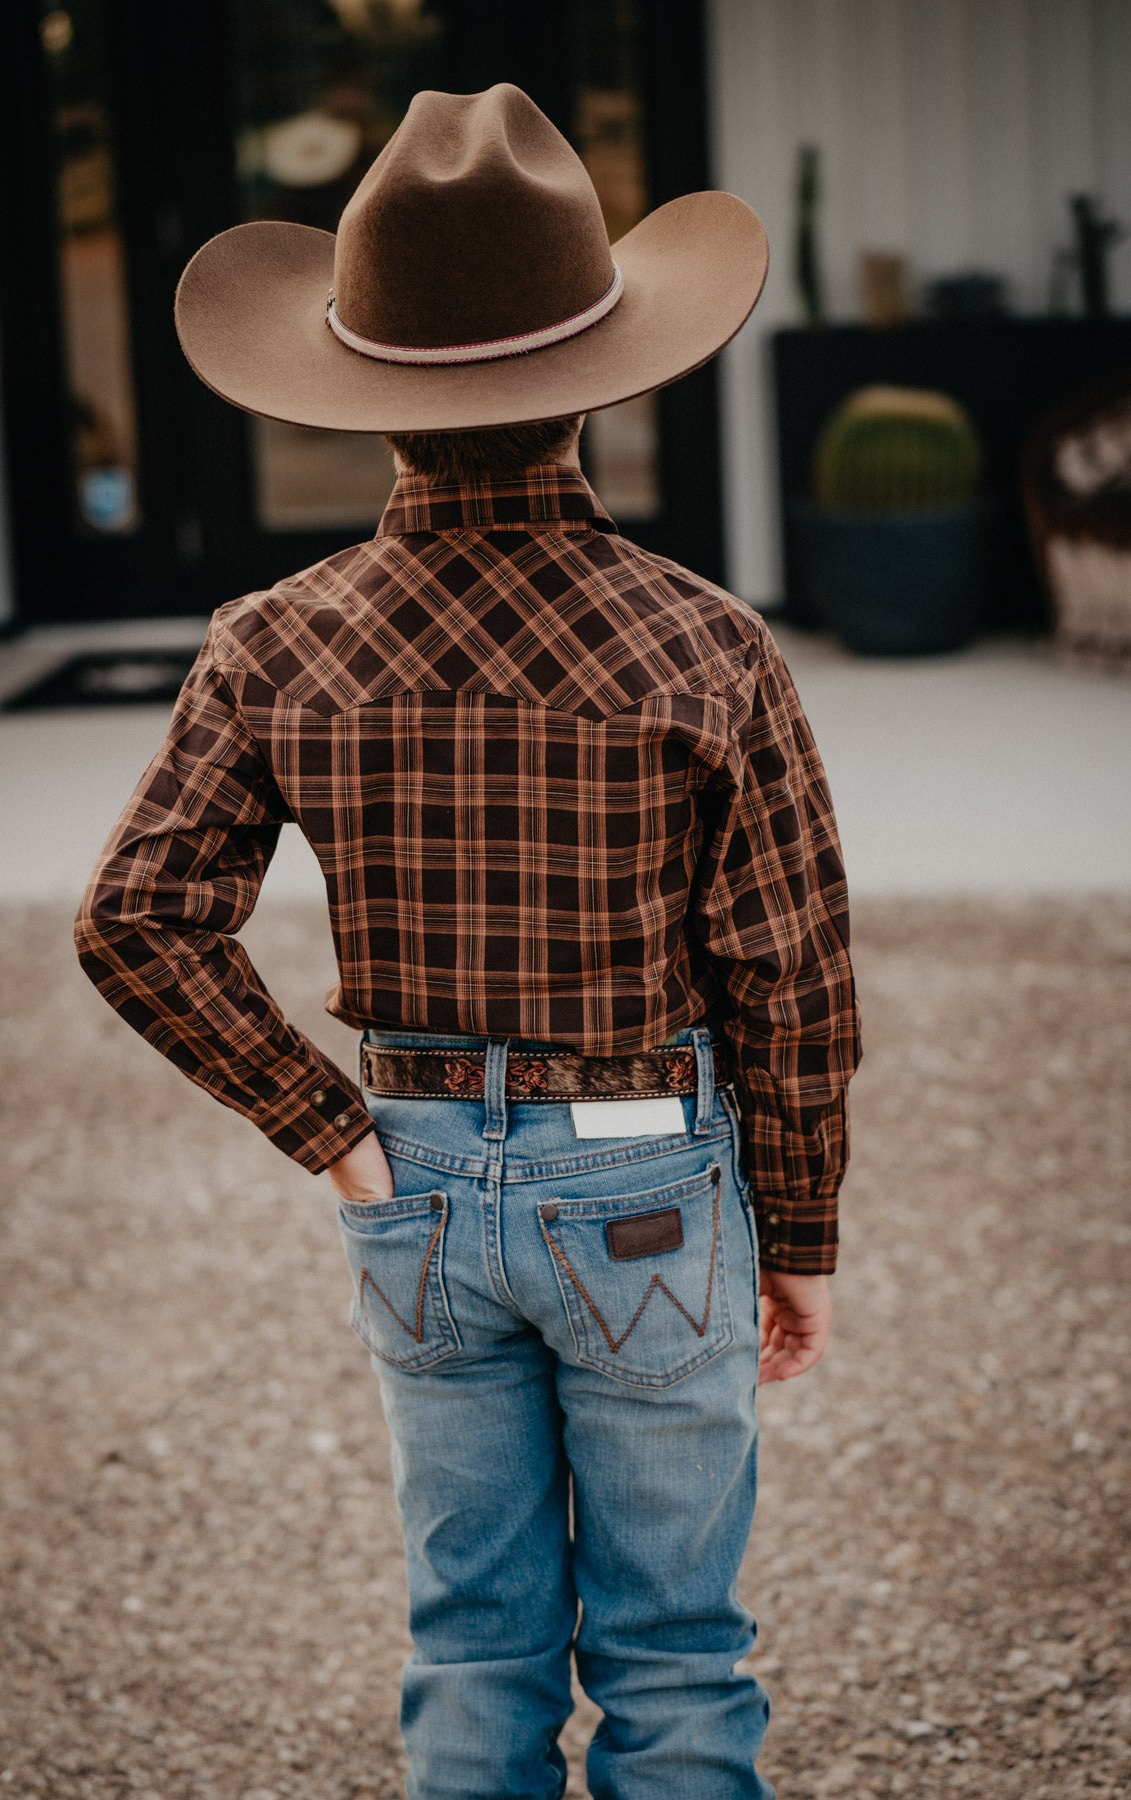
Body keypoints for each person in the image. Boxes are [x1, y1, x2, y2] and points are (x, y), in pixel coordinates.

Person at [75, 82, 862, 1800]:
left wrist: (333, 1133)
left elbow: (137, 921)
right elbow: (791, 979)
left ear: (365, 391)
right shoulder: (708, 646)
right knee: (674, 1651)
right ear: (599, 376)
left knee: (472, 1639)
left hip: (413, 1178)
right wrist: (795, 1228)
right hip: (651, 1180)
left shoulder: (274, 640)